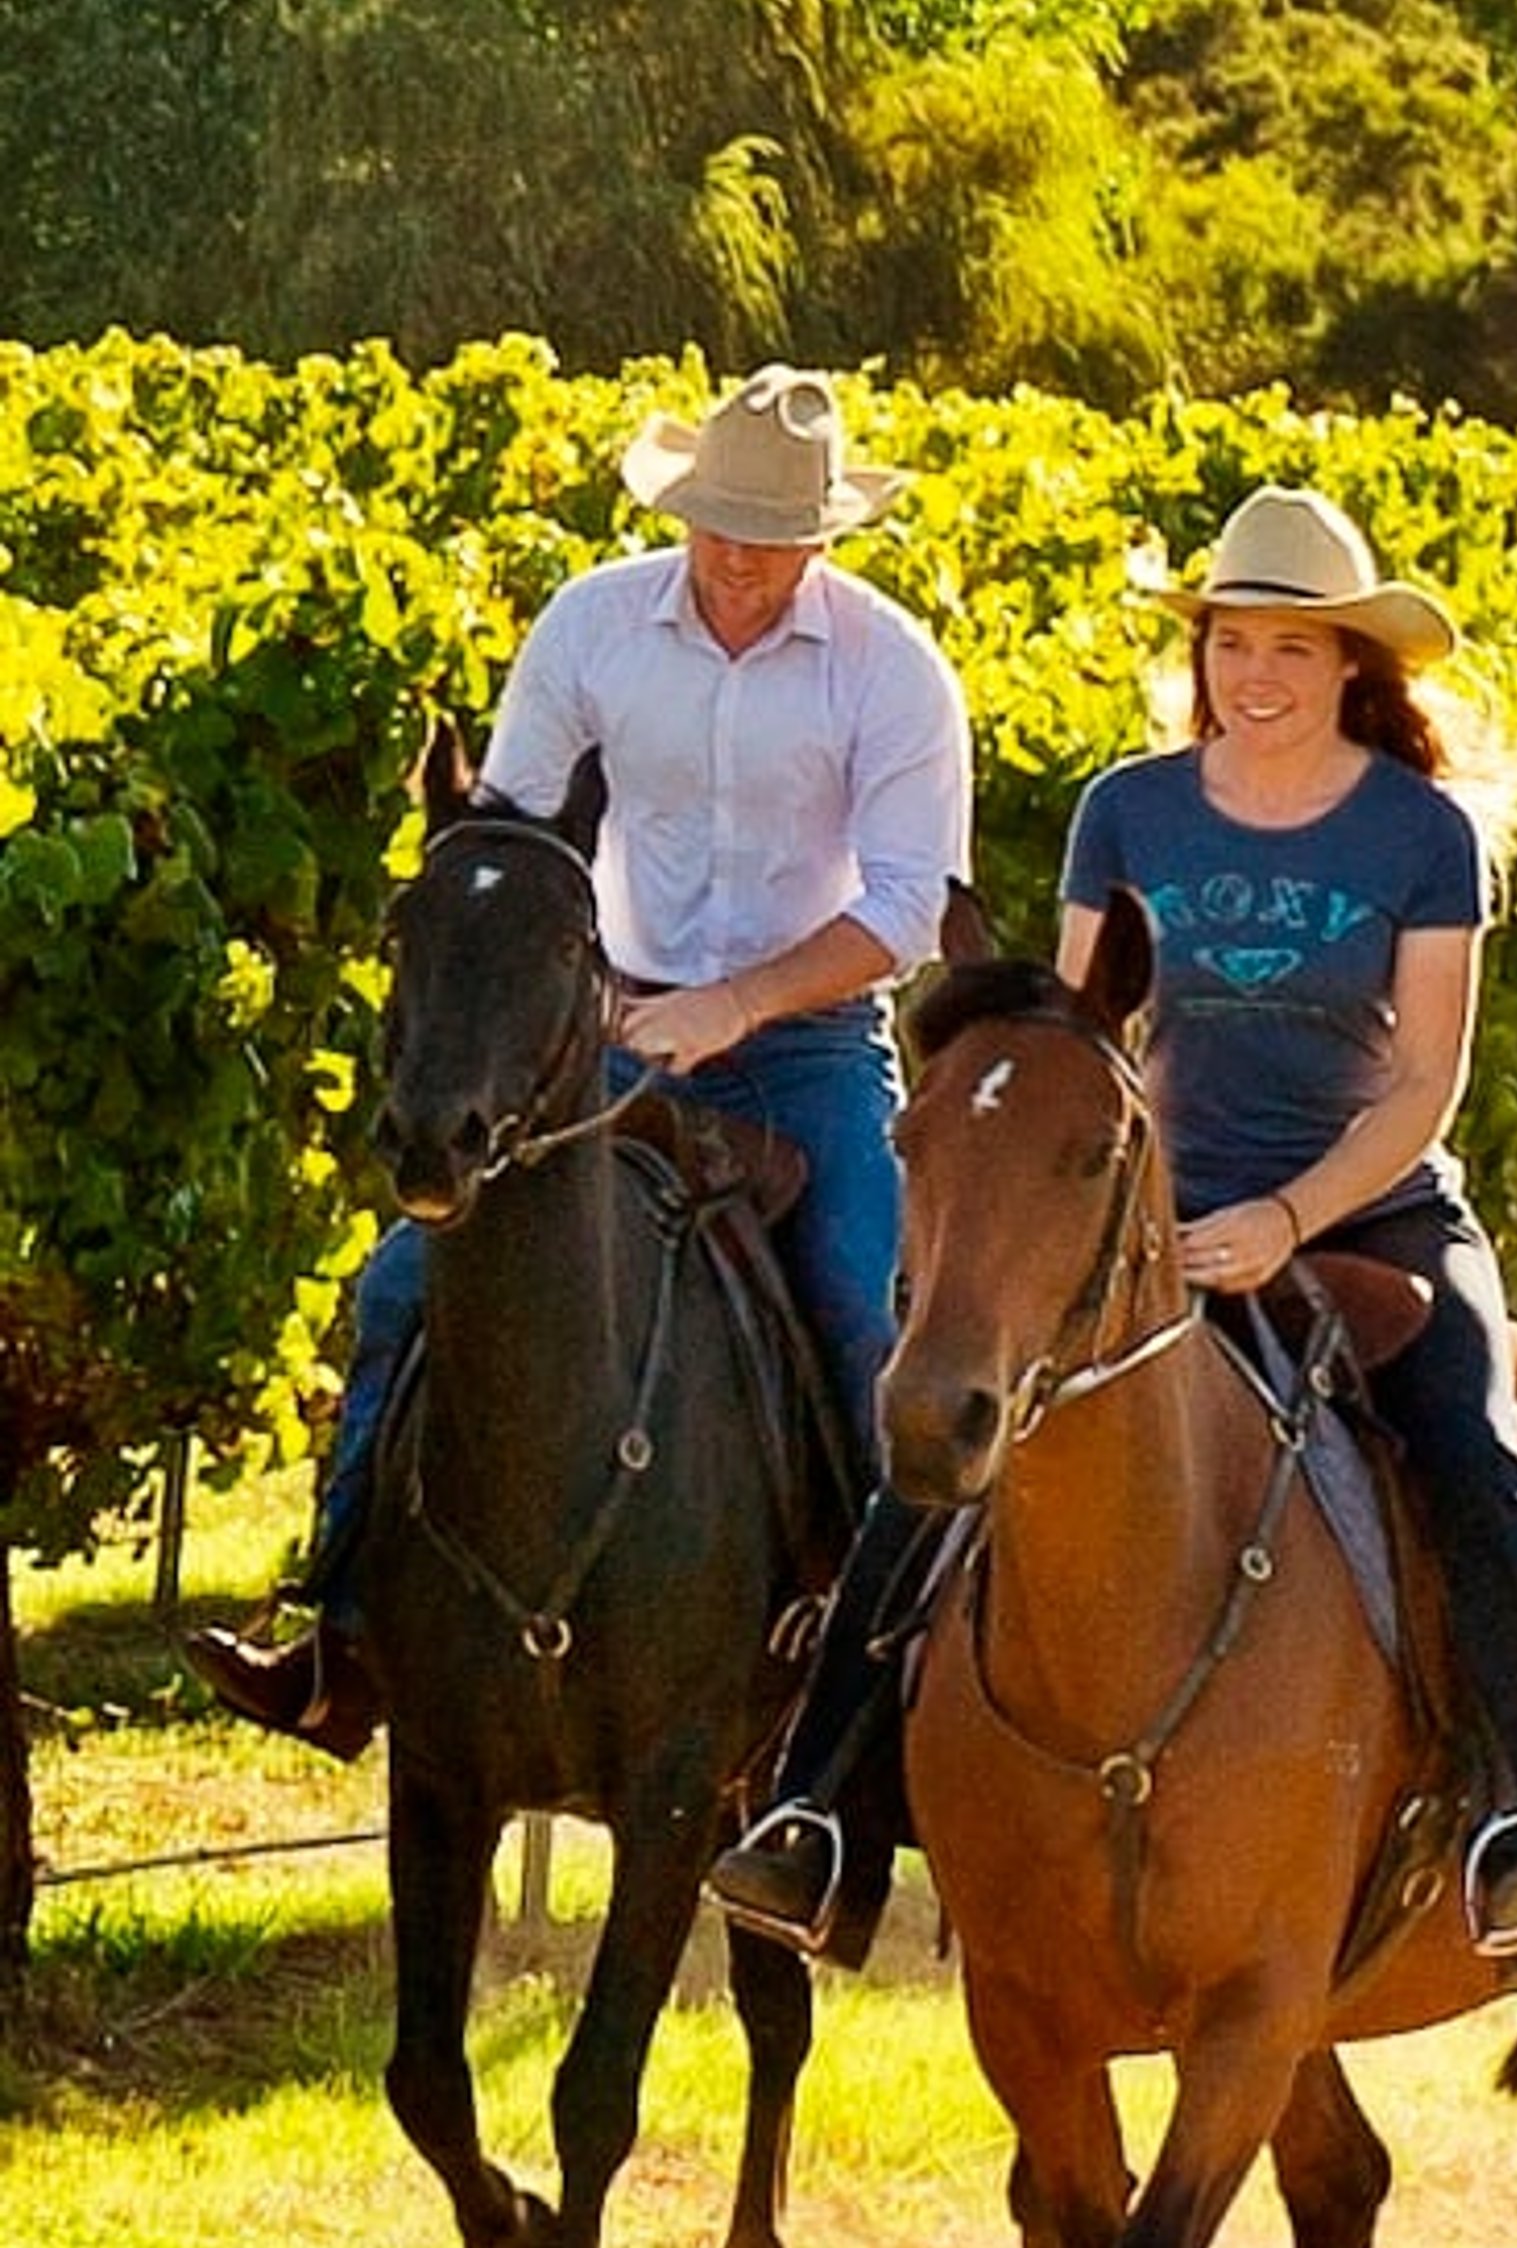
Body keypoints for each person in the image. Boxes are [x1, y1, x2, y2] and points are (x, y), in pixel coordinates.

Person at [706, 484, 1517, 1960]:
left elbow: (1424, 1081)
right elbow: (1082, 1040)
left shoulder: (1420, 836)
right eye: (1232, 645)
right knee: (943, 1436)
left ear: (1350, 672)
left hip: (1367, 1214)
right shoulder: (1123, 810)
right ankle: (815, 1813)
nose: (1254, 677)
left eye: (1292, 652)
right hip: (1141, 1216)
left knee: (1466, 1445)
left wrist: (1285, 1216)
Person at [182, 365, 973, 1759]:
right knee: (404, 1283)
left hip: (809, 1049)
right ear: (681, 514)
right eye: (715, 526)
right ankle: (343, 1630)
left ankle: (873, 1678)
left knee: (862, 1307)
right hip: (605, 1036)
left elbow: (905, 911)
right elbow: (517, 832)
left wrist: (733, 1006)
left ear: (823, 537)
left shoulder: (895, 671)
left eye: (766, 536)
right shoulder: (593, 627)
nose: (735, 559)